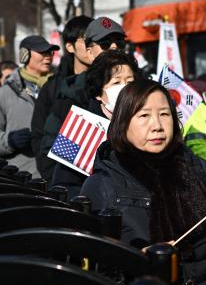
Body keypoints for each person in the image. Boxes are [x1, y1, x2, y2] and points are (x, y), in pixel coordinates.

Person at [80, 79, 206, 285]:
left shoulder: (195, 167)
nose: (157, 125)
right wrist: (136, 261)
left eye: (164, 114)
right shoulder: (103, 185)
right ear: (123, 122)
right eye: (144, 115)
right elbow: (94, 273)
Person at [38, 16, 126, 181]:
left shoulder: (147, 91)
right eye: (105, 43)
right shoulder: (71, 98)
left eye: (119, 42)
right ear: (89, 51)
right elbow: (51, 163)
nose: (114, 47)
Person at [50, 50, 140, 198]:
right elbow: (62, 187)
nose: (125, 88)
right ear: (99, 93)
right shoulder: (79, 129)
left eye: (130, 82)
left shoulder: (145, 122)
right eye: (116, 82)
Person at [0, 35, 59, 177]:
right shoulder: (2, 95)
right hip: (22, 182)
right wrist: (9, 140)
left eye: (50, 52)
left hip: (58, 178)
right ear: (24, 55)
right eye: (42, 52)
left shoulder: (63, 89)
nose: (48, 57)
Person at [32, 15, 93, 180]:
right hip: (64, 181)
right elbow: (38, 135)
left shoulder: (111, 82)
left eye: (97, 40)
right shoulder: (53, 88)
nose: (92, 46)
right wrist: (58, 174)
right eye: (86, 40)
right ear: (70, 46)